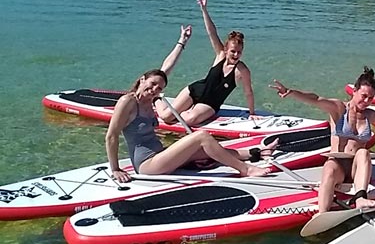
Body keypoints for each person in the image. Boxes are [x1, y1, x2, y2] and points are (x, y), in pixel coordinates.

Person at [106, 27, 271, 183]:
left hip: (160, 155)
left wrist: (182, 42)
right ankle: (245, 169)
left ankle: (255, 153)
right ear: (142, 79)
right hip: (147, 165)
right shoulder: (128, 101)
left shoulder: (149, 100)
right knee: (202, 136)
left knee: (203, 151)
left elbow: (165, 69)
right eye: (152, 84)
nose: (155, 89)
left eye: (159, 88)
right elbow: (111, 136)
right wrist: (115, 169)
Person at [270, 67, 375, 213]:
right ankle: (322, 214)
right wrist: (292, 93)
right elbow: (316, 99)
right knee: (329, 168)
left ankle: (360, 198)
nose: (366, 101)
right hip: (338, 166)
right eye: (363, 95)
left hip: (357, 169)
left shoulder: (369, 115)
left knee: (363, 152)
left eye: (370, 98)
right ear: (354, 91)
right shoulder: (339, 108)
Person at [155, 0, 257, 127]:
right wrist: (204, 10)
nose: (236, 55)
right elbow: (212, 32)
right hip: (195, 90)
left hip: (210, 104)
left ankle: (189, 109)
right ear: (226, 50)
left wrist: (252, 113)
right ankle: (156, 98)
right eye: (233, 51)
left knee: (187, 120)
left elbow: (248, 92)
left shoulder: (242, 70)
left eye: (239, 52)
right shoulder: (220, 55)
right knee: (166, 117)